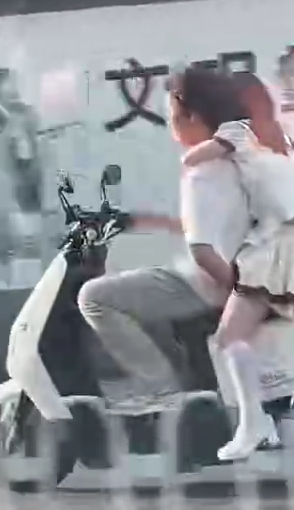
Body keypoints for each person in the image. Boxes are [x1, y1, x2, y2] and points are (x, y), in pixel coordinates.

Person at [174, 67, 294, 461]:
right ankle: (266, 417)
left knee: (229, 337)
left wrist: (198, 157)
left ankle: (254, 424)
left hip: (274, 249)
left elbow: (193, 157)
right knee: (273, 332)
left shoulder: (237, 132)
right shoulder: (284, 140)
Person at [78, 67, 256, 409]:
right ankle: (184, 382)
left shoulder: (202, 173)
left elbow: (203, 251)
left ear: (193, 117)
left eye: (172, 116)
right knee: (141, 286)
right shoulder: (249, 156)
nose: (171, 127)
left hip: (209, 284)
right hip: (249, 274)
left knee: (95, 297)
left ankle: (163, 389)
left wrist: (239, 295)